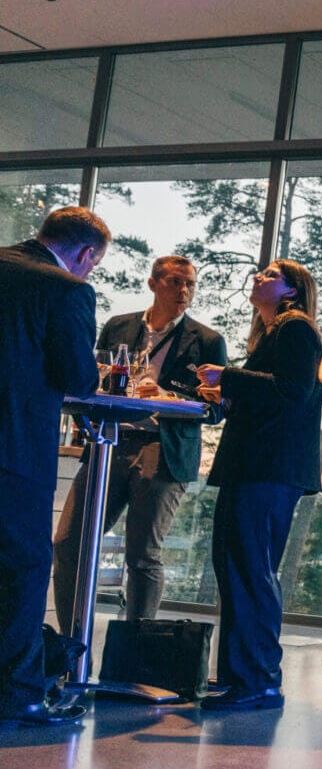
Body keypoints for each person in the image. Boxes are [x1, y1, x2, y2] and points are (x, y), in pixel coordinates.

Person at [52, 255, 227, 634]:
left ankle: (133, 653)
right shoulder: (118, 326)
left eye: (190, 284)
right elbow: (89, 379)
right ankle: (68, 646)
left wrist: (166, 398)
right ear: (153, 284)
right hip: (108, 442)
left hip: (162, 448)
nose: (184, 291)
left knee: (142, 556)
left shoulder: (208, 341)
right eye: (175, 282)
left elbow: (216, 411)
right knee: (67, 544)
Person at [192, 260, 322, 712]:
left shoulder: (296, 329)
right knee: (238, 570)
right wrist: (227, 395)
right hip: (257, 468)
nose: (258, 277)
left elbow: (293, 392)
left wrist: (226, 376)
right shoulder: (274, 333)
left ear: (293, 289)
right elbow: (271, 396)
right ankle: (240, 677)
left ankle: (260, 681)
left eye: (271, 274)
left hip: (269, 471)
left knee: (251, 573)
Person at [0, 207, 107, 726]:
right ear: (86, 254)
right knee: (22, 566)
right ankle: (19, 695)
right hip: (13, 447)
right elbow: (78, 379)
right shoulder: (66, 289)